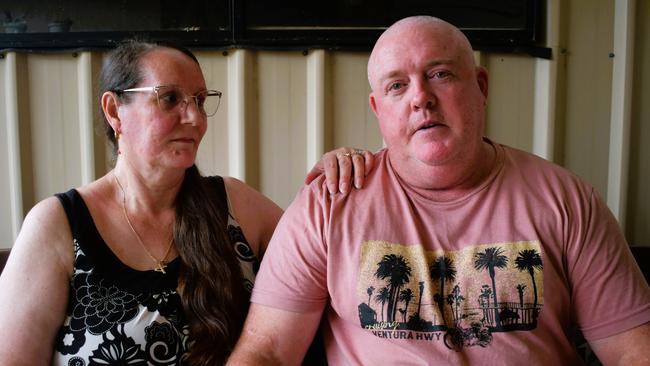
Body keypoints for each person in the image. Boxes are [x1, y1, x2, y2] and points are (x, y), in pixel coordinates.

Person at [228, 16, 650, 365]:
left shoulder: (567, 201)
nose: (421, 99)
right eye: (397, 85)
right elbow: (267, 352)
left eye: (440, 74)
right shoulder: (329, 202)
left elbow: (633, 352)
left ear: (481, 87)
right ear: (379, 110)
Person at [0, 40, 372, 365]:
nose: (194, 118)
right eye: (170, 98)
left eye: (199, 100)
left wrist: (336, 181)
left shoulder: (236, 205)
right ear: (114, 111)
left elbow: (331, 267)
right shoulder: (59, 224)